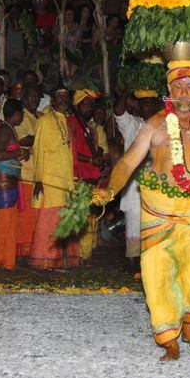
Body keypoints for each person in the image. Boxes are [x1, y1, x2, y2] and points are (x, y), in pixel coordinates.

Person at [93, 42, 190, 361]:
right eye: (178, 86)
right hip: (157, 209)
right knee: (156, 275)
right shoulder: (155, 124)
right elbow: (128, 162)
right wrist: (110, 190)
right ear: (169, 90)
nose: (185, 93)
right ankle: (168, 338)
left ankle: (188, 322)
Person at [29, 86, 80, 270]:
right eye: (59, 96)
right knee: (49, 221)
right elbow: (38, 150)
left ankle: (63, 261)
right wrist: (38, 180)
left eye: (66, 96)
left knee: (65, 220)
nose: (63, 100)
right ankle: (43, 261)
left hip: (66, 181)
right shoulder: (44, 121)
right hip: (50, 181)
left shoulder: (68, 121)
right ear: (52, 100)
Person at [113, 88, 163, 269]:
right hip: (135, 185)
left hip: (157, 184)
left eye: (151, 105)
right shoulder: (132, 124)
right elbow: (118, 110)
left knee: (155, 221)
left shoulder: (163, 125)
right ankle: (133, 261)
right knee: (134, 221)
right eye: (144, 105)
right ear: (138, 108)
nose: (148, 109)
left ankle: (151, 261)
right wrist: (127, 88)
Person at [0, 100, 28, 270]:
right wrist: (20, 152)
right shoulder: (4, 129)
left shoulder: (9, 129)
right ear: (16, 114)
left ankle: (6, 260)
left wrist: (18, 155)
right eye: (22, 114)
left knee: (9, 219)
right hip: (2, 180)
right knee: (3, 220)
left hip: (8, 180)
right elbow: (0, 154)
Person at [69, 88, 105, 263]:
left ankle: (86, 255)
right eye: (85, 103)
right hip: (79, 176)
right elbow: (71, 152)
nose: (89, 107)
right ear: (77, 104)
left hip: (91, 178)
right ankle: (77, 256)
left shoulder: (90, 128)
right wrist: (92, 161)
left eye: (91, 104)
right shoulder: (71, 122)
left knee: (89, 218)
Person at [15, 83, 42, 259]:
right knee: (26, 215)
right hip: (25, 173)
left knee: (37, 215)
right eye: (30, 95)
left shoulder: (40, 116)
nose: (34, 99)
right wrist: (43, 136)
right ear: (23, 97)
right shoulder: (21, 116)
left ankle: (34, 249)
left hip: (39, 173)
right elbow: (23, 139)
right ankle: (23, 251)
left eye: (36, 96)